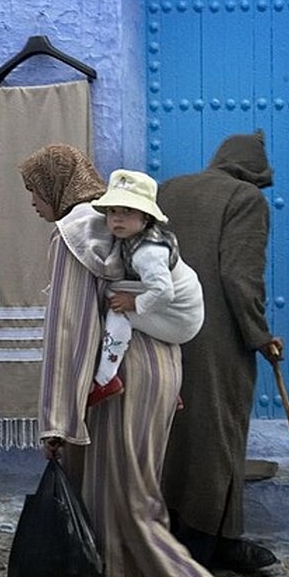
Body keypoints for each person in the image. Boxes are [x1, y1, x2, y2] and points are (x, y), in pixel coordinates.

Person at [19, 143, 251, 577]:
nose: (32, 201)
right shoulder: (119, 226)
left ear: (56, 185)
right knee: (99, 494)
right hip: (154, 370)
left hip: (118, 379)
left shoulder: (76, 235)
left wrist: (56, 416)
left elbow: (71, 329)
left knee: (125, 500)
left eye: (34, 188)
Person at [159, 130, 284, 574]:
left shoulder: (169, 189)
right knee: (219, 435)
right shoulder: (246, 199)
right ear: (254, 173)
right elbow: (238, 277)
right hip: (217, 339)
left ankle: (177, 533)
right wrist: (259, 334)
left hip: (162, 328)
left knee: (172, 431)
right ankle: (204, 544)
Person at [88, 169, 204, 407]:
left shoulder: (147, 252)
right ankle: (166, 384)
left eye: (127, 211)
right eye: (112, 211)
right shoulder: (136, 238)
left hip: (180, 317)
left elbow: (163, 292)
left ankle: (105, 379)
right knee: (115, 292)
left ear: (146, 217)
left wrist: (133, 304)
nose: (117, 218)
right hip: (176, 305)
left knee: (116, 309)